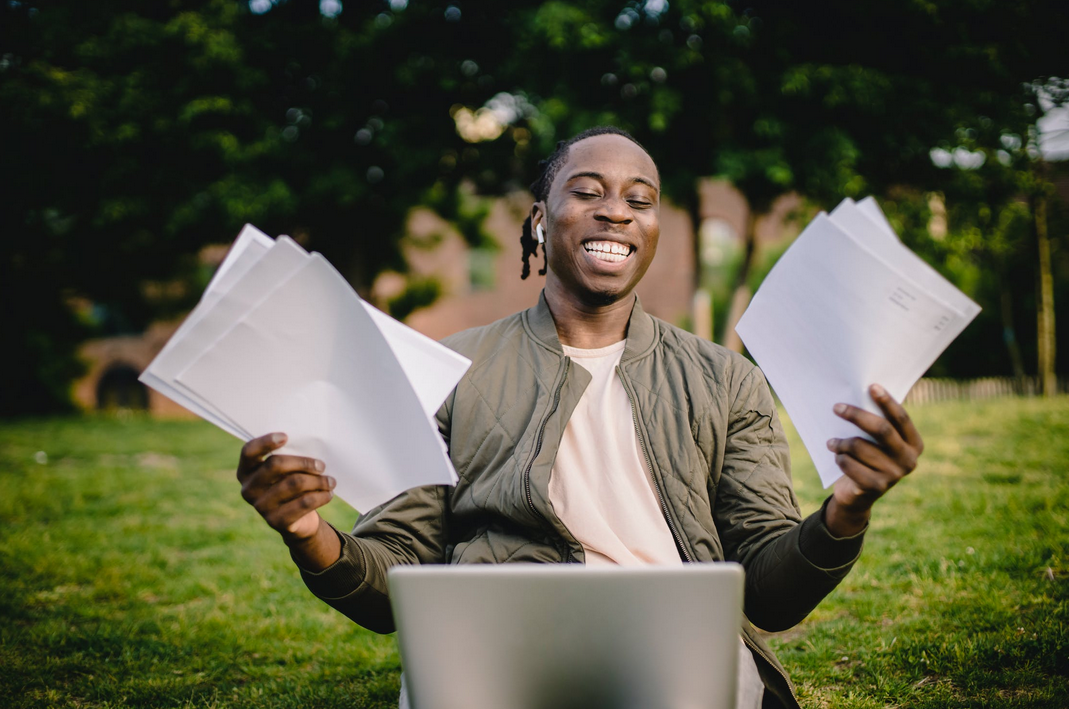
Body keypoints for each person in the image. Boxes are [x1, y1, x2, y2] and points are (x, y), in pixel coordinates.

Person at [234, 126, 924, 709]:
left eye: (639, 200)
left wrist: (846, 510)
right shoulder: (446, 373)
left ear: (653, 229)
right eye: (586, 191)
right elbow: (392, 583)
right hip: (492, 658)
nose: (615, 212)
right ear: (540, 219)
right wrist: (305, 530)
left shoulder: (726, 380)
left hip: (677, 664)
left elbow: (770, 594)